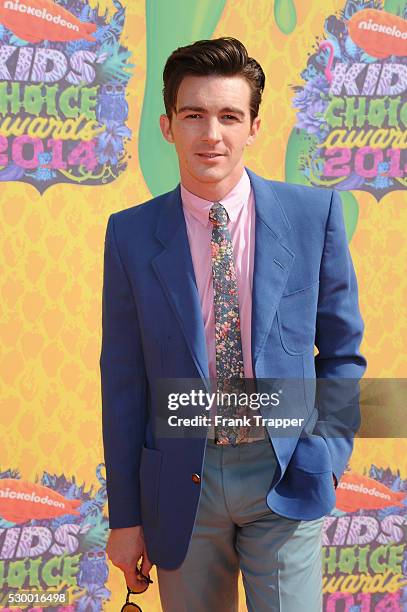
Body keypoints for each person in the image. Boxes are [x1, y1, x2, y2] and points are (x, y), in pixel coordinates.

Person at [100, 37, 366, 611]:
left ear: (254, 126)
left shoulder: (312, 216)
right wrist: (125, 516)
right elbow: (122, 381)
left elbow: (343, 352)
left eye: (229, 116)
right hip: (179, 480)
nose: (211, 134)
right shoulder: (130, 234)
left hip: (285, 473)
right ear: (168, 125)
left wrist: (325, 457)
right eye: (194, 115)